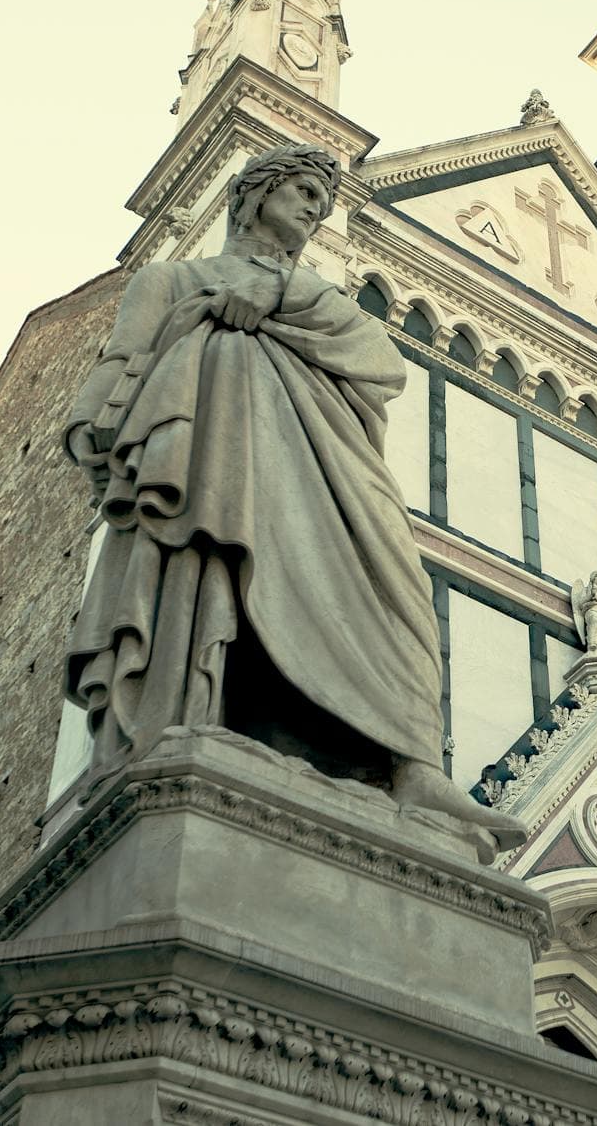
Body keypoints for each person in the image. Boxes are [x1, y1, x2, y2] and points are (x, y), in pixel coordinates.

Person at [63, 144, 526, 857]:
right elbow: (119, 365)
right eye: (305, 190)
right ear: (253, 196)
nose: (316, 208)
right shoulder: (172, 278)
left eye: (323, 200)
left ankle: (411, 761)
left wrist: (277, 297)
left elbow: (380, 362)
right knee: (220, 569)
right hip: (217, 458)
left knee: (397, 592)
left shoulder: (321, 300)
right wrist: (90, 434)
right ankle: (205, 719)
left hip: (328, 471)